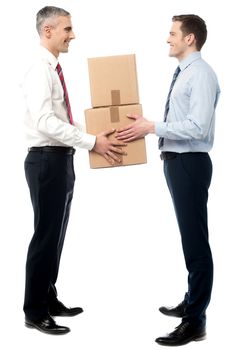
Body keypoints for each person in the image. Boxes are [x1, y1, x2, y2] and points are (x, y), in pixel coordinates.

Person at [116, 14, 220, 346]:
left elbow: (198, 127)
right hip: (176, 163)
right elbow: (183, 121)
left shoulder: (200, 75)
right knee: (190, 239)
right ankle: (192, 301)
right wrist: (149, 126)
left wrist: (152, 128)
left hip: (190, 163)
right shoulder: (185, 73)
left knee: (196, 243)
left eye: (173, 33)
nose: (168, 38)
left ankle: (195, 322)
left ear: (190, 39)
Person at [22, 6, 126, 335]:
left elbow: (62, 120)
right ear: (48, 31)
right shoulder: (40, 69)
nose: (73, 34)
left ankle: (48, 297)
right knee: (45, 236)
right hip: (46, 160)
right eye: (67, 29)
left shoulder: (53, 69)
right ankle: (35, 311)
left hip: (60, 158)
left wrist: (93, 134)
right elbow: (45, 122)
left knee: (56, 235)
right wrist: (91, 141)